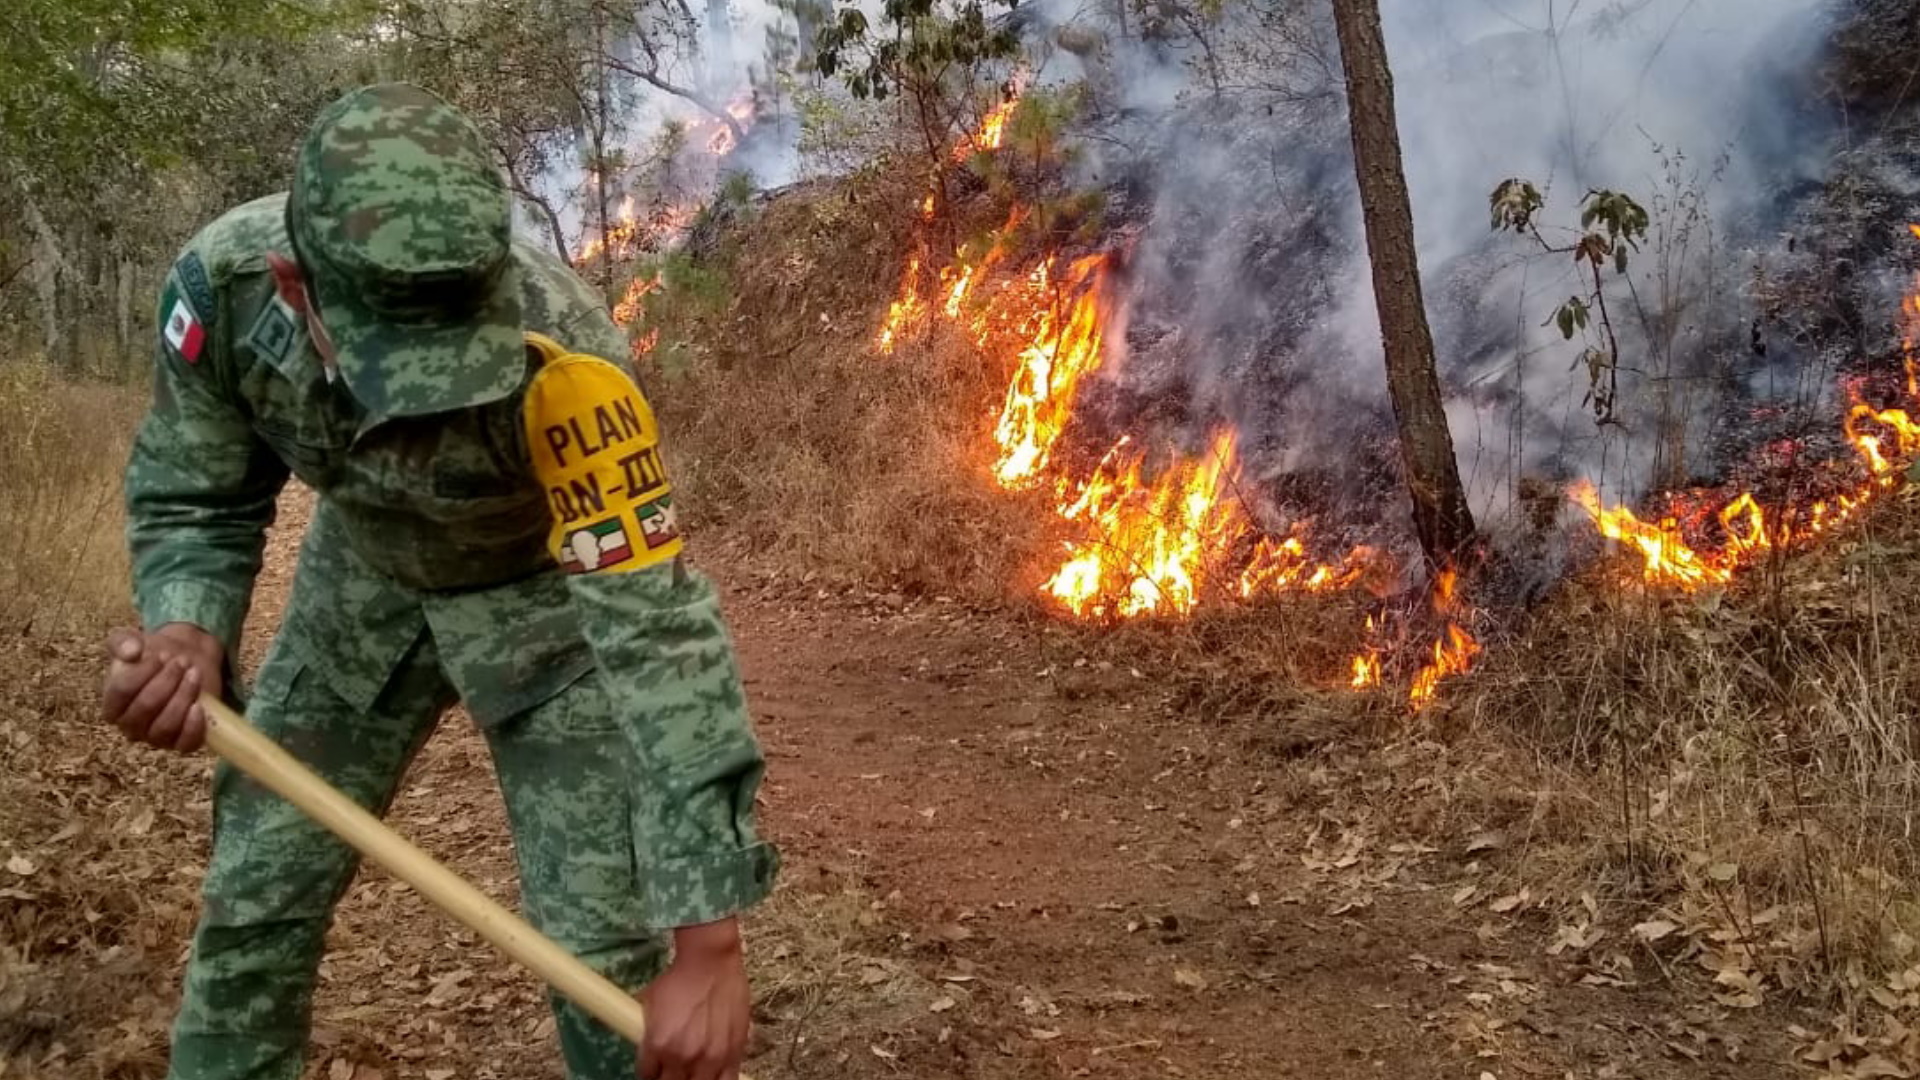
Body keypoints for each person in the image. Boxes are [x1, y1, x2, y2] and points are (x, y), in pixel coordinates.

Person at [98, 81, 779, 1080]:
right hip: (362, 588)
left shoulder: (573, 362)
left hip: (545, 609)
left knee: (608, 955)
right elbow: (196, 494)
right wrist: (186, 627)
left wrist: (708, 940)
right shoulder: (225, 294)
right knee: (255, 898)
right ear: (299, 285)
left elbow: (657, 633)